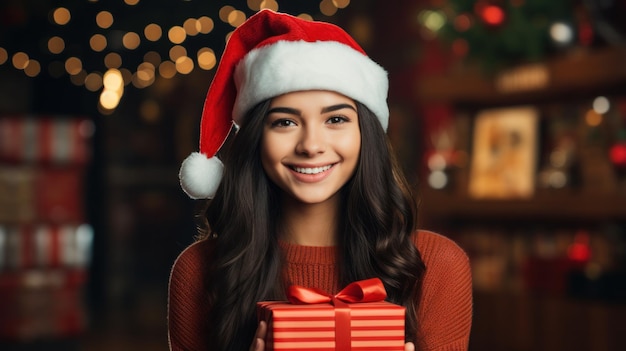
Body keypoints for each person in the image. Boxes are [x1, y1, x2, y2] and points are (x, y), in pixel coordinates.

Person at [168, 9, 472, 351]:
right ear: (256, 139)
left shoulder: (436, 267)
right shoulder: (198, 271)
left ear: (365, 134)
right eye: (285, 122)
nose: (311, 145)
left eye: (336, 119)